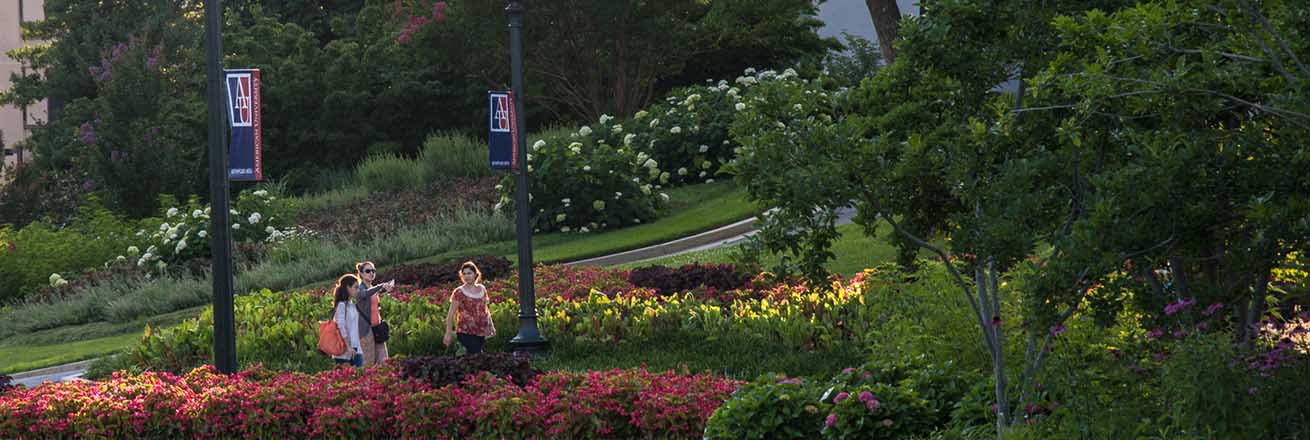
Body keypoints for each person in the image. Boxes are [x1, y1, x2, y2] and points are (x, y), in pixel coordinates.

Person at [444, 261, 496, 354]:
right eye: (464, 274)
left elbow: (485, 309)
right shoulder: (459, 292)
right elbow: (451, 314)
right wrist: (448, 333)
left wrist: (491, 326)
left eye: (469, 273)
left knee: (473, 357)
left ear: (475, 274)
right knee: (477, 354)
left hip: (481, 331)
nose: (466, 276)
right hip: (465, 331)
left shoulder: (482, 289)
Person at [355, 261, 395, 365]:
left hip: (378, 327)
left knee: (384, 360)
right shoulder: (360, 289)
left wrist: (386, 288)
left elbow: (373, 301)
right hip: (367, 330)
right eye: (368, 271)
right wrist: (380, 285)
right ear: (361, 274)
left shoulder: (371, 288)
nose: (371, 273)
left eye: (373, 271)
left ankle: (385, 379)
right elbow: (365, 295)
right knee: (368, 361)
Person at [333, 274, 364, 367]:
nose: (358, 290)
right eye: (356, 287)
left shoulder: (352, 305)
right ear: (348, 288)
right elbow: (341, 327)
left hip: (356, 347)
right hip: (345, 350)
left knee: (360, 376)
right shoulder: (341, 305)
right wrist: (348, 346)